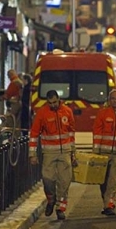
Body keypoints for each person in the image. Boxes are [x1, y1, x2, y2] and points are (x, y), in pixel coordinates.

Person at [29, 90, 76, 220]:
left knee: (64, 181)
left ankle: (61, 207)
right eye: (50, 103)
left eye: (55, 102)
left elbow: (71, 132)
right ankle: (51, 198)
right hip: (49, 152)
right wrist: (32, 154)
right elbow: (34, 134)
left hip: (65, 152)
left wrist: (73, 152)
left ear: (58, 99)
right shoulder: (42, 113)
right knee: (47, 179)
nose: (53, 105)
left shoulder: (67, 111)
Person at [92, 89, 116, 216]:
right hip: (103, 153)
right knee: (102, 180)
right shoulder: (102, 114)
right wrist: (96, 151)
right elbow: (97, 132)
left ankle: (109, 204)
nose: (115, 100)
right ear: (109, 100)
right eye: (113, 98)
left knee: (113, 180)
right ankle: (106, 200)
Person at [1, 69, 23, 134]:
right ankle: (18, 138)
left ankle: (12, 137)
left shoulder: (13, 83)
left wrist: (1, 97)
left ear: (10, 75)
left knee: (9, 121)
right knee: (18, 123)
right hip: (20, 104)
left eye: (8, 76)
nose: (8, 78)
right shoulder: (20, 81)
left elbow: (8, 94)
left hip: (14, 105)